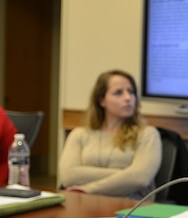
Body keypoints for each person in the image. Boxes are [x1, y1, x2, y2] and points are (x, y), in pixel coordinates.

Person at [58, 69, 162, 198]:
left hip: (129, 208)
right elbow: (68, 176)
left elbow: (140, 178)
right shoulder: (79, 134)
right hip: (85, 205)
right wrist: (126, 175)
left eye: (131, 92)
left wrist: (85, 190)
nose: (128, 98)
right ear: (102, 100)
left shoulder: (147, 134)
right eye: (118, 93)